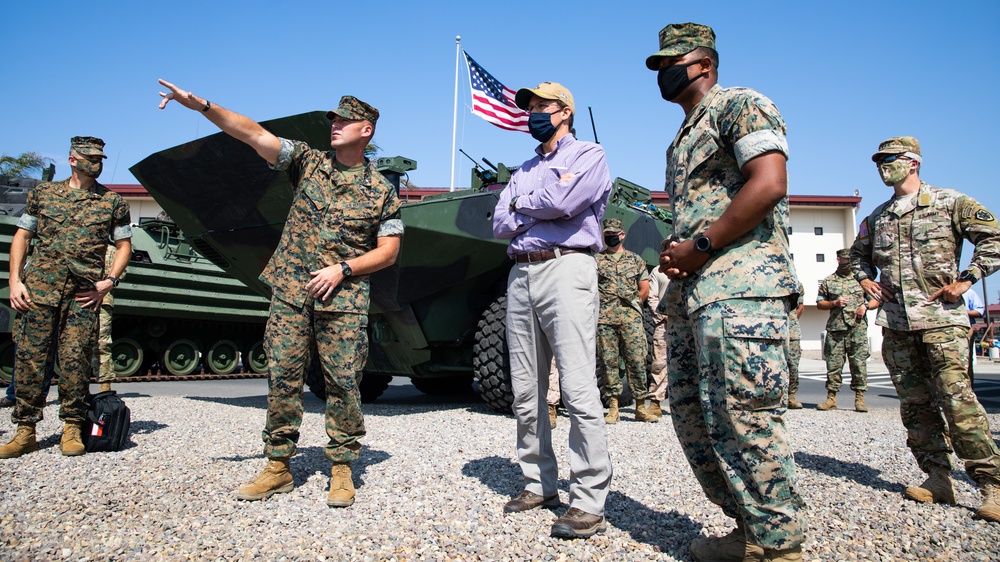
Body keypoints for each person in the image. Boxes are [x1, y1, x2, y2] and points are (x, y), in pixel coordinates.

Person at [158, 80, 403, 508]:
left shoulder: (381, 191)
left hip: (342, 303)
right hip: (291, 292)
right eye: (334, 119)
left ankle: (342, 468)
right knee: (282, 379)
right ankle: (278, 466)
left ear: (366, 129)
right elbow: (251, 133)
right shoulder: (307, 163)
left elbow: (389, 252)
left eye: (345, 121)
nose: (335, 125)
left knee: (343, 383)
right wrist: (200, 105)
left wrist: (343, 269)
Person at [649, 22, 807, 561]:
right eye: (658, 65)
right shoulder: (684, 134)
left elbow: (769, 182)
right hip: (695, 296)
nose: (663, 73)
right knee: (697, 420)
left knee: (745, 417)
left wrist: (700, 243)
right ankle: (750, 533)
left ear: (706, 65)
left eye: (673, 62)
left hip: (743, 288)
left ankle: (780, 544)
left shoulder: (741, 104)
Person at [851, 135, 1000, 524]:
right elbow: (855, 258)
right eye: (878, 162)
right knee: (916, 406)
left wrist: (968, 279)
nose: (883, 168)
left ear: (912, 163)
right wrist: (866, 281)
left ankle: (991, 485)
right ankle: (937, 478)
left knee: (958, 403)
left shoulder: (952, 202)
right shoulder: (877, 217)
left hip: (942, 323)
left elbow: (994, 240)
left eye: (890, 160)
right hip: (898, 326)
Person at [493, 81, 613, 539]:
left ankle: (587, 501)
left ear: (564, 112)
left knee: (579, 389)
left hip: (567, 269)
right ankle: (538, 482)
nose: (534, 113)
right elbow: (500, 221)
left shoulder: (588, 155)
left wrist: (525, 206)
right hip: (520, 273)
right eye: (531, 107)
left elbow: (567, 202)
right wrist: (532, 207)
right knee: (526, 390)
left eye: (542, 106)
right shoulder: (523, 169)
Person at [0, 136, 132, 459]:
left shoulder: (113, 203)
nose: (97, 163)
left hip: (83, 296)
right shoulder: (43, 195)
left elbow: (125, 247)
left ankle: (72, 427)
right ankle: (25, 430)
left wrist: (109, 281)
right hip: (39, 292)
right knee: (31, 360)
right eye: (91, 157)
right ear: (73, 159)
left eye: (101, 158)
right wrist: (14, 280)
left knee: (75, 361)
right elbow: (23, 237)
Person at [596, 217, 650, 423]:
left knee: (636, 360)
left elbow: (644, 289)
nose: (610, 237)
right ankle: (613, 407)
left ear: (622, 234)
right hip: (605, 319)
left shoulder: (635, 260)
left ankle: (640, 406)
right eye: (607, 234)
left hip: (631, 319)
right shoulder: (597, 260)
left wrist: (631, 308)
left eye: (614, 234)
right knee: (608, 363)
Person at [816, 249, 879, 412]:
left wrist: (865, 306)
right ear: (838, 260)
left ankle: (859, 398)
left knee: (858, 364)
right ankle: (831, 398)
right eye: (845, 260)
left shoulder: (862, 281)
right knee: (833, 365)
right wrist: (834, 303)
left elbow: (875, 301)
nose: (848, 263)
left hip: (857, 329)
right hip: (836, 330)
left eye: (850, 260)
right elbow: (819, 303)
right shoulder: (829, 281)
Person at [93, 245, 120, 393]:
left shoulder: (112, 250)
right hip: (80, 298)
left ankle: (105, 389)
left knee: (102, 344)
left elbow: (120, 274)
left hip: (103, 301)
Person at [645, 266, 670, 417]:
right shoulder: (659, 271)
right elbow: (652, 296)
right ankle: (655, 402)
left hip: (688, 321)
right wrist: (662, 315)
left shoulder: (693, 264)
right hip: (664, 323)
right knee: (659, 363)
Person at [787, 280, 805, 409]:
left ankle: (791, 397)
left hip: (792, 331)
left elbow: (800, 307)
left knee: (793, 365)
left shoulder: (796, 284)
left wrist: (791, 321)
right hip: (771, 329)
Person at [962, 288, 985, 384]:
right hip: (938, 331)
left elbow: (979, 311)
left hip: (964, 329)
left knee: (965, 364)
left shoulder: (967, 291)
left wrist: (959, 312)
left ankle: (968, 392)